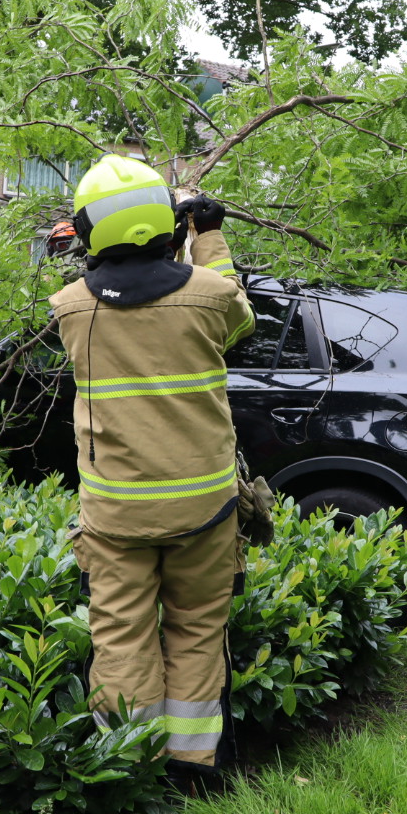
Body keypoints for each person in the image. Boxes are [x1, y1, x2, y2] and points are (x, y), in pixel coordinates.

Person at [49, 155, 253, 777]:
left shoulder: (70, 308)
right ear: (168, 221)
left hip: (115, 514)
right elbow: (238, 321)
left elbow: (111, 284)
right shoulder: (212, 295)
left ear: (88, 234)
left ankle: (128, 765)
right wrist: (207, 236)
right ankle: (192, 761)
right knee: (196, 628)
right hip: (206, 508)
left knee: (122, 637)